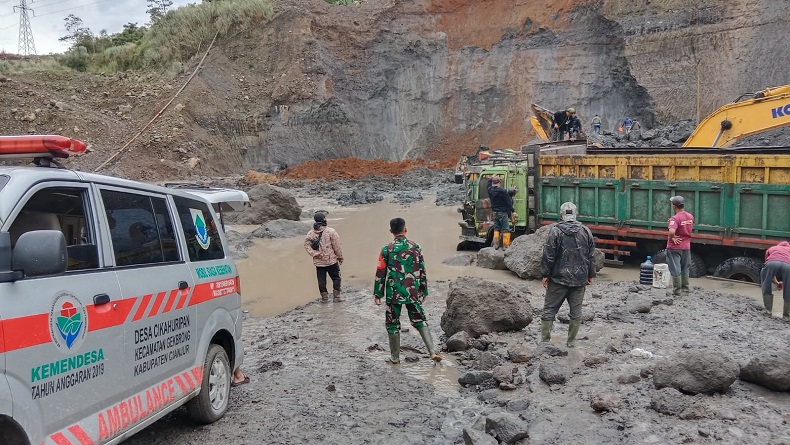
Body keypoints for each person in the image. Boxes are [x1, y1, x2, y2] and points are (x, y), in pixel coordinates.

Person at [374, 217, 441, 364]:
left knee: (392, 323)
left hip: (393, 292)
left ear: (391, 231)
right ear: (405, 229)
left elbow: (381, 271)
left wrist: (378, 293)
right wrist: (423, 290)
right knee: (419, 319)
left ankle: (395, 358)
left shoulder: (387, 249)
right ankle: (432, 352)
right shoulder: (416, 247)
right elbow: (422, 269)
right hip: (412, 291)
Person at [539, 202, 596, 347]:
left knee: (549, 310)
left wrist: (545, 274)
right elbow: (591, 256)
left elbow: (548, 255)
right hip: (579, 280)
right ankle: (571, 343)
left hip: (558, 279)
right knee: (576, 312)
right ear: (576, 214)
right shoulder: (586, 231)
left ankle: (545, 341)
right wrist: (590, 275)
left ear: (561, 215)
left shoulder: (555, 231)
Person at [304, 211, 344, 303]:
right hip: (331, 261)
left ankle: (324, 299)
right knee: (336, 278)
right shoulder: (331, 231)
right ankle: (336, 298)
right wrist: (340, 257)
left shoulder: (310, 233)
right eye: (325, 217)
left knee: (321, 280)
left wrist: (314, 253)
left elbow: (306, 245)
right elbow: (337, 246)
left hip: (319, 262)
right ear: (323, 220)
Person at [666, 196, 694, 295]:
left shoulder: (675, 218)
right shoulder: (690, 216)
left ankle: (677, 290)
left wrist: (672, 237)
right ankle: (685, 289)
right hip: (686, 246)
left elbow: (672, 231)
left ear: (674, 206)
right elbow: (685, 226)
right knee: (685, 268)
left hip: (675, 247)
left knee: (675, 268)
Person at [760, 241, 790, 319]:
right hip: (788, 266)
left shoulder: (772, 248)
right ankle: (787, 316)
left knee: (766, 283)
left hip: (772, 263)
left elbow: (769, 265)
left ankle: (767, 311)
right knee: (788, 289)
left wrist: (775, 282)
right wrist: (784, 283)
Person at [487, 176, 516, 249]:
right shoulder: (503, 191)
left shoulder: (490, 190)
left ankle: (496, 245)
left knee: (496, 228)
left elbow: (488, 184)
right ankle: (505, 246)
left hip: (495, 212)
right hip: (502, 212)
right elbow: (508, 202)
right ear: (499, 182)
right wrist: (513, 211)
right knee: (505, 229)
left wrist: (491, 178)